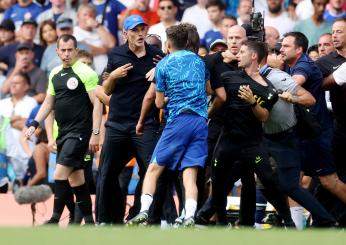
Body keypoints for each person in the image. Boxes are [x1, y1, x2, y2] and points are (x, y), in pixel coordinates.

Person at [128, 23, 212, 227]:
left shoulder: (163, 65)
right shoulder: (200, 62)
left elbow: (157, 103)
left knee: (153, 169)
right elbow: (208, 90)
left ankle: (144, 211)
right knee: (190, 173)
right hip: (200, 122)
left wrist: (169, 98)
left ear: (168, 44)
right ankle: (190, 215)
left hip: (178, 120)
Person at [209, 41, 294, 227]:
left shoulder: (269, 89)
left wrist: (252, 102)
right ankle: (220, 225)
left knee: (269, 182)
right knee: (218, 183)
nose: (237, 55)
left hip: (252, 144)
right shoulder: (228, 77)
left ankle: (289, 222)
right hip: (227, 140)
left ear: (254, 56)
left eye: (242, 52)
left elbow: (264, 117)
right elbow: (212, 92)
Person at [25, 34, 102, 224]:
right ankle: (89, 222)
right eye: (63, 50)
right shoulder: (55, 73)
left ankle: (54, 218)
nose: (67, 54)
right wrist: (35, 124)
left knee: (59, 174)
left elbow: (98, 104)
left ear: (76, 50)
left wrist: (95, 133)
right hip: (64, 133)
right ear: (57, 51)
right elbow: (49, 102)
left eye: (70, 50)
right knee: (77, 180)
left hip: (80, 133)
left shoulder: (86, 72)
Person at [96, 15, 165, 225]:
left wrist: (162, 71)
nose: (140, 34)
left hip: (145, 125)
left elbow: (165, 86)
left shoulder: (157, 56)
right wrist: (113, 77)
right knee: (107, 174)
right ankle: (107, 220)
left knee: (152, 172)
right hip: (117, 124)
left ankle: (147, 218)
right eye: (135, 30)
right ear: (125, 34)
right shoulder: (116, 54)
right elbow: (106, 90)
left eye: (143, 29)